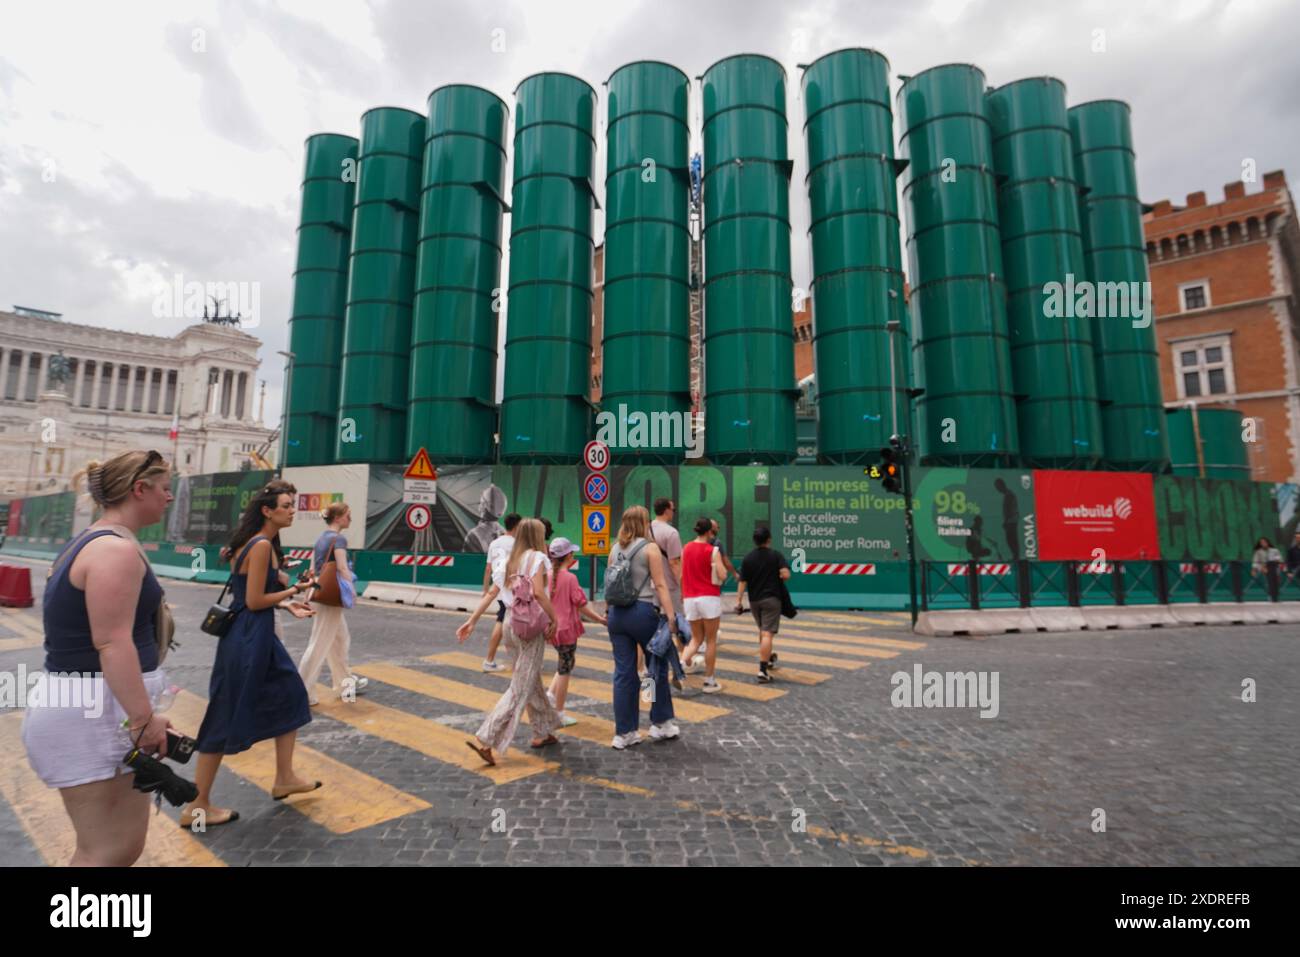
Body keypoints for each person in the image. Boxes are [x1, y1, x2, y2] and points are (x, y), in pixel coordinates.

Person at [21, 450, 176, 865]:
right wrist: (143, 721)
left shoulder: (103, 542)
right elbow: (112, 643)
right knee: (105, 851)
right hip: (93, 711)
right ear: (139, 489)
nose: (170, 497)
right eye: (165, 488)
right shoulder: (114, 551)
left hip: (96, 707)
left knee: (118, 847)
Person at [183, 480, 320, 828]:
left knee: (290, 695)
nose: (292, 510)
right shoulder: (260, 546)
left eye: (292, 505)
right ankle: (196, 806)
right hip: (250, 636)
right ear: (267, 510)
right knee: (224, 713)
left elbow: (252, 594)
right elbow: (255, 601)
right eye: (287, 505)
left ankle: (285, 777)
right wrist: (291, 590)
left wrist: (289, 602)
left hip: (250, 633)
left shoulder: (254, 544)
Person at [456, 519, 561, 764]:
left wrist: (472, 620)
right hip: (530, 627)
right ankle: (487, 738)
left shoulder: (509, 561)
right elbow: (537, 592)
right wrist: (554, 618)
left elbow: (492, 593)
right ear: (537, 535)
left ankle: (543, 731)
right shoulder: (537, 558)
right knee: (519, 687)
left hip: (510, 625)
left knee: (530, 681)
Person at [606, 505, 681, 749]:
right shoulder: (650, 549)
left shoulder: (614, 548)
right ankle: (659, 722)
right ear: (644, 522)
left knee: (624, 674)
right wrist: (671, 616)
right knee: (654, 669)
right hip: (642, 612)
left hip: (617, 615)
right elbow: (660, 585)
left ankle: (624, 732)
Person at [297, 502, 368, 705]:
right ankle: (303, 691)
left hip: (319, 593)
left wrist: (306, 593)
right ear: (337, 518)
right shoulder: (339, 539)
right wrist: (352, 591)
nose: (350, 519)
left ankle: (346, 686)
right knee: (319, 644)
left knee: (340, 640)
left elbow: (312, 569)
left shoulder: (321, 538)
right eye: (348, 515)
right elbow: (343, 568)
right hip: (330, 597)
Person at [546, 537, 607, 725]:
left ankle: (550, 694)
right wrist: (599, 619)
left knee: (564, 663)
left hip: (552, 629)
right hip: (566, 630)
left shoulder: (546, 575)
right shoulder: (570, 578)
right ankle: (559, 712)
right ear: (569, 556)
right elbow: (581, 605)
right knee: (565, 670)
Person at [735, 526, 789, 684]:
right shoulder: (776, 555)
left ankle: (769, 658)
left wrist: (738, 601)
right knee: (767, 633)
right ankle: (763, 669)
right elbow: (785, 574)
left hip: (754, 601)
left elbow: (742, 581)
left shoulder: (748, 558)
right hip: (772, 599)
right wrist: (779, 576)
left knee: (763, 630)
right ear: (769, 539)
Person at [680, 517, 728, 693]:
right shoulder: (712, 550)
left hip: (690, 598)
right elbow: (722, 575)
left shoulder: (686, 548)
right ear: (709, 532)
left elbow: (682, 575)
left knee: (695, 639)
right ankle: (709, 681)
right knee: (711, 640)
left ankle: (680, 666)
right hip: (709, 597)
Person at [480, 513, 522, 672]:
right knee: (506, 621)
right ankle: (490, 660)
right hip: (511, 588)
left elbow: (488, 568)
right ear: (517, 526)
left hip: (497, 586)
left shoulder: (494, 543)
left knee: (504, 620)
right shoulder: (517, 544)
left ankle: (495, 659)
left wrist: (485, 589)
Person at [650, 498, 685, 653]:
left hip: (650, 585)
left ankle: (643, 666)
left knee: (651, 625)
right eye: (673, 509)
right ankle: (684, 660)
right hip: (670, 586)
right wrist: (683, 585)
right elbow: (674, 563)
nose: (673, 512)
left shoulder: (646, 528)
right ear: (666, 510)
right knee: (678, 624)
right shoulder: (671, 533)